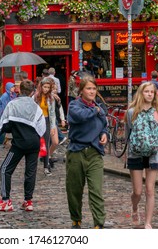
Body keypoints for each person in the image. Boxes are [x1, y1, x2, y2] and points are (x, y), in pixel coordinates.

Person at [0, 80, 46, 212]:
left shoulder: (12, 104)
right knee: (30, 171)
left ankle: (5, 200)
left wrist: (4, 133)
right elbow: (41, 127)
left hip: (19, 143)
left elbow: (4, 123)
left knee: (5, 168)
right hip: (34, 142)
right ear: (32, 92)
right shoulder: (36, 107)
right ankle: (28, 201)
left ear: (19, 90)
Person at [66, 75, 108, 229]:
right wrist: (96, 110)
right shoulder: (74, 106)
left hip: (94, 153)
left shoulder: (98, 106)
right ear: (81, 90)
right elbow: (81, 117)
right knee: (74, 190)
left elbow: (104, 124)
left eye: (94, 88)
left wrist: (105, 134)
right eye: (89, 88)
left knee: (96, 190)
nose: (92, 91)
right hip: (76, 152)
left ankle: (99, 223)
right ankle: (76, 219)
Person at [125, 82, 158, 229]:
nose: (149, 94)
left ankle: (148, 222)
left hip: (154, 154)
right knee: (138, 191)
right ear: (141, 93)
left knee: (150, 189)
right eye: (146, 91)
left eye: (152, 92)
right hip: (135, 153)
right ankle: (135, 208)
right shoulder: (131, 112)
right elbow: (128, 133)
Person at [33, 77, 58, 176]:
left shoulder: (51, 98)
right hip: (37, 121)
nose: (46, 89)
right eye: (45, 87)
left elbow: (52, 114)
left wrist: (53, 127)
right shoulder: (35, 97)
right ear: (41, 86)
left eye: (48, 87)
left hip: (46, 120)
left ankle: (46, 166)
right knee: (37, 143)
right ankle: (33, 165)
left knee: (46, 143)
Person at [0, 82, 16, 147]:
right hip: (5, 114)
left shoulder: (13, 95)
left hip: (11, 114)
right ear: (9, 88)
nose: (14, 88)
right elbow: (4, 106)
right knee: (3, 129)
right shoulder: (5, 96)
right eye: (12, 87)